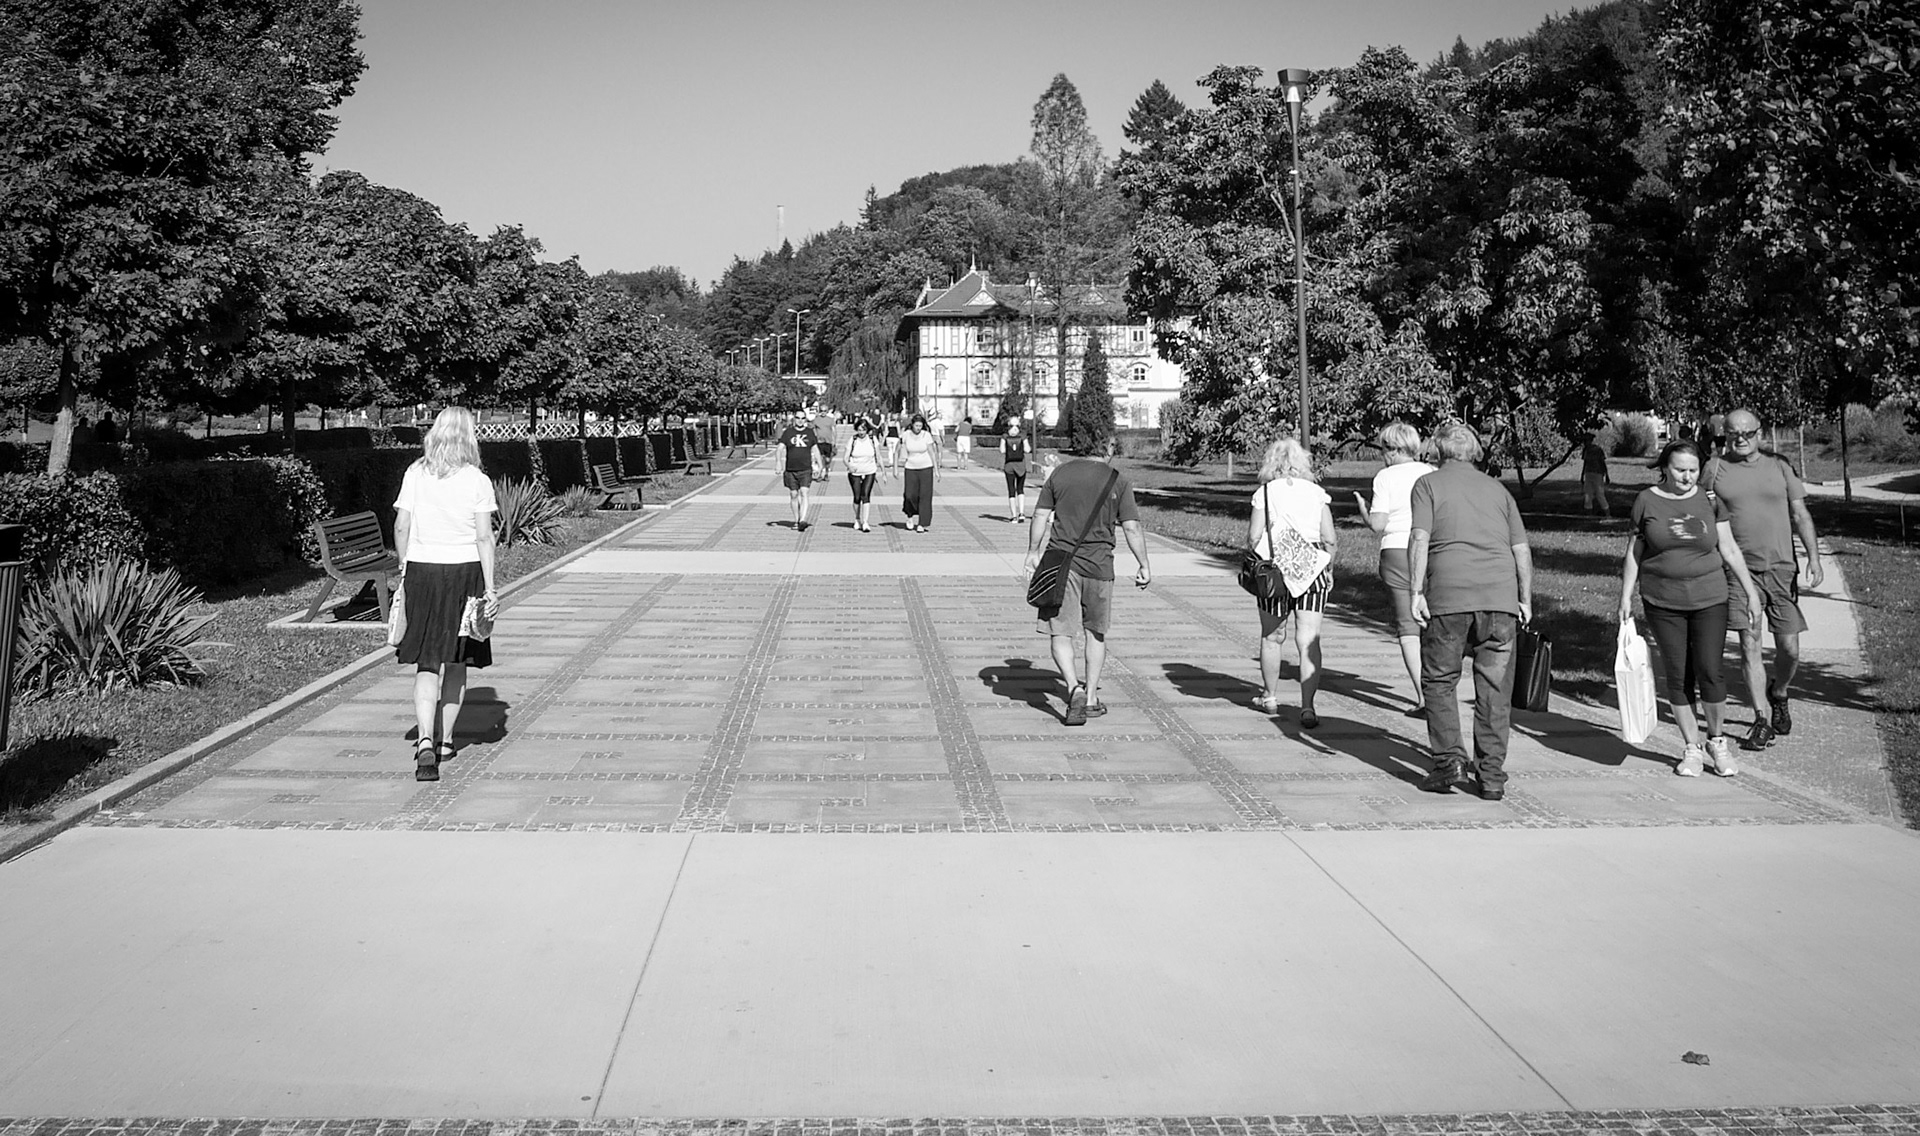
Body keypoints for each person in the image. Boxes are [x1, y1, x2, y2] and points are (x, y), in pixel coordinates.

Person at [1618, 440, 1763, 776]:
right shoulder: (1646, 501)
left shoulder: (1710, 500)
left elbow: (1729, 548)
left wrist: (1751, 592)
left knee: (1710, 670)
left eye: (1693, 470)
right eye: (1680, 470)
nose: (1687, 477)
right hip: (1662, 601)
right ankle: (1691, 747)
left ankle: (1717, 741)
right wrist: (1626, 595)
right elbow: (1634, 552)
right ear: (1665, 468)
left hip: (1710, 598)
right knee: (1678, 673)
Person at [1408, 422, 1534, 801]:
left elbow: (1419, 537)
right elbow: (1521, 549)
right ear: (1474, 452)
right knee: (1495, 689)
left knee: (1439, 680)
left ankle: (1450, 761)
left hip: (1449, 597)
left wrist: (1416, 591)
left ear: (1438, 450)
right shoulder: (1498, 490)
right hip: (1499, 599)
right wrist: (1524, 598)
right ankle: (1491, 776)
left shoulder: (1427, 485)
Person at [1703, 407, 1825, 750]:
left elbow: (1800, 514)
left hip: (1781, 568)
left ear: (1759, 433)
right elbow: (1700, 512)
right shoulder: (1714, 469)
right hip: (1738, 572)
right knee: (1749, 642)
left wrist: (1814, 558)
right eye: (1732, 433)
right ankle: (1761, 719)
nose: (1740, 439)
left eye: (1747, 433)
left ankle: (1779, 692)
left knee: (1790, 648)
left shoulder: (1779, 466)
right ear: (1725, 435)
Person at [393, 407, 499, 782]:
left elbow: (401, 525)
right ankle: (446, 742)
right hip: (464, 574)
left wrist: (404, 566)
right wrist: (490, 587)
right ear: (469, 436)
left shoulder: (415, 473)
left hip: (421, 573)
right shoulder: (477, 480)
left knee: (427, 661)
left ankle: (424, 740)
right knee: (456, 661)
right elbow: (484, 537)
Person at [1023, 436, 1152, 726]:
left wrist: (1032, 552)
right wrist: (1143, 564)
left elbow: (1040, 515)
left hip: (1061, 565)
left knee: (1060, 632)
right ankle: (1091, 697)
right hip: (1100, 566)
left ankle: (1074, 688)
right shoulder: (1118, 480)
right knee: (1095, 633)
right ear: (1108, 448)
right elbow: (1131, 527)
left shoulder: (1060, 473)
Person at [1250, 437, 1337, 727]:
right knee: (1309, 638)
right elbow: (1329, 538)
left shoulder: (1265, 493)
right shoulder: (1317, 493)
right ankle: (1307, 706)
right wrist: (1329, 568)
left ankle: (1270, 696)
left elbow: (1254, 536)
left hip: (1275, 571)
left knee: (1272, 636)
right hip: (1311, 569)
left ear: (1271, 463)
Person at [1354, 422, 1436, 716]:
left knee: (1407, 625)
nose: (1382, 454)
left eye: (1383, 449)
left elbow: (1378, 524)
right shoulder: (1431, 473)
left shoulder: (1385, 477)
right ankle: (1441, 688)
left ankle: (1424, 697)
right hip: (1431, 548)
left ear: (1392, 450)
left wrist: (1364, 510)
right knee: (1435, 619)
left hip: (1398, 550)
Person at [774, 409, 822, 531]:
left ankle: (803, 519)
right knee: (794, 494)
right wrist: (778, 462)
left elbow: (815, 449)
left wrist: (820, 465)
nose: (800, 420)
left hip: (805, 468)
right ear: (794, 419)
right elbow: (779, 449)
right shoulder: (788, 432)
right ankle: (797, 519)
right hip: (791, 469)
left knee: (804, 492)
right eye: (798, 418)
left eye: (802, 418)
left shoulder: (810, 432)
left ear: (805, 420)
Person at [899, 413, 939, 532]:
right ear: (912, 425)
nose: (918, 428)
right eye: (916, 426)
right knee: (909, 495)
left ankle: (922, 523)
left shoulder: (926, 435)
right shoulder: (906, 435)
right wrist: (896, 467)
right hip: (910, 467)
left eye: (920, 426)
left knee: (925, 495)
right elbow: (899, 450)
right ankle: (910, 515)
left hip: (926, 467)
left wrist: (936, 469)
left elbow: (932, 452)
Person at [845, 418, 882, 532]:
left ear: (867, 430)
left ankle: (865, 522)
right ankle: (857, 519)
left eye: (864, 430)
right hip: (855, 471)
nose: (861, 432)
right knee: (857, 496)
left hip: (869, 470)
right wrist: (849, 465)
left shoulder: (872, 439)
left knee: (865, 495)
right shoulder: (853, 440)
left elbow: (878, 455)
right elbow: (845, 458)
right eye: (859, 430)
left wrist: (883, 471)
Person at [1001, 420, 1032, 522]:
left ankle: (1014, 516)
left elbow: (1002, 450)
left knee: (1011, 490)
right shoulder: (1022, 436)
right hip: (1021, 466)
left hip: (1009, 466)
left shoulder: (1005, 436)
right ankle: (1021, 513)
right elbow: (1027, 450)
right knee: (1020, 489)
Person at [1581, 431, 1612, 517]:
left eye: (1586, 441)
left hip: (1598, 474)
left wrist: (1607, 475)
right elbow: (1585, 463)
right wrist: (1582, 475)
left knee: (1599, 494)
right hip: (1588, 473)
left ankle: (1607, 514)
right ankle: (1589, 515)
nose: (1585, 443)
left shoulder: (1598, 450)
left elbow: (1602, 462)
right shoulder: (1585, 450)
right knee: (1588, 494)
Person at [812, 406, 837, 474]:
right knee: (820, 457)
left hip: (828, 442)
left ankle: (827, 468)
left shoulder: (830, 420)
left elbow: (834, 431)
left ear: (827, 411)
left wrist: (834, 441)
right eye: (822, 411)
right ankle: (822, 472)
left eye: (825, 411)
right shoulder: (816, 419)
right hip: (819, 441)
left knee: (827, 459)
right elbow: (813, 429)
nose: (823, 412)